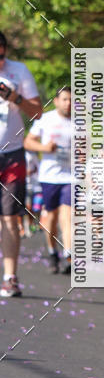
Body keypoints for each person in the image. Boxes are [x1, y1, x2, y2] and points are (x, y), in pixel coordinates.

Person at [0, 32, 43, 296]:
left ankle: (10, 277)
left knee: (10, 217)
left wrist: (14, 97)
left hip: (12, 155)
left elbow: (37, 112)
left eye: (1, 54)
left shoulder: (19, 71)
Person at [24, 87, 73, 274]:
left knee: (68, 214)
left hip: (71, 176)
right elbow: (28, 142)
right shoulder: (45, 119)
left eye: (71, 100)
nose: (68, 103)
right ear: (56, 101)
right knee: (51, 217)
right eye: (65, 99)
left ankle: (68, 254)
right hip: (49, 176)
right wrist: (44, 148)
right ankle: (53, 252)